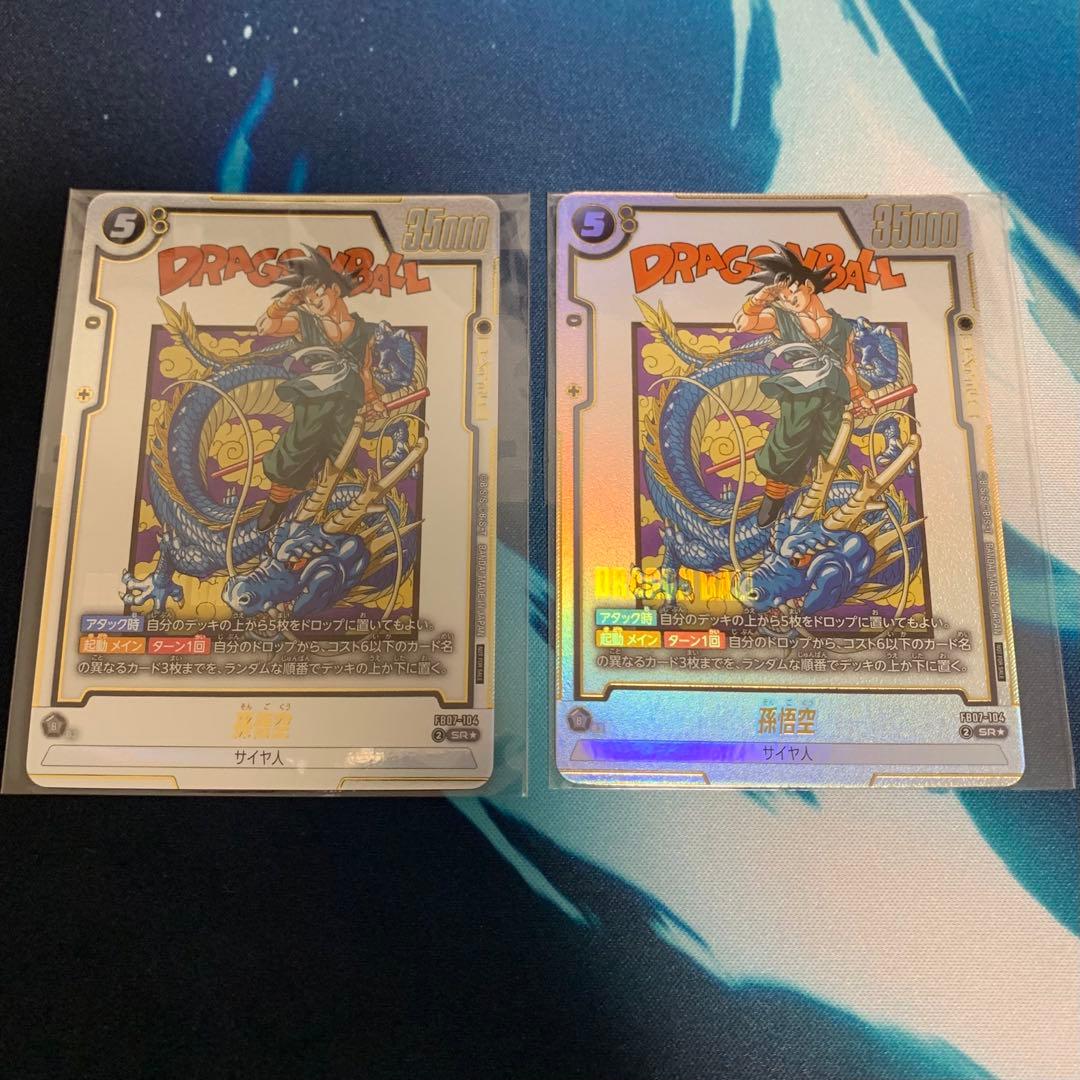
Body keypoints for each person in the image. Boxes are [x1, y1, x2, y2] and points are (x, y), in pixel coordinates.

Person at [733, 244, 875, 527]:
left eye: (792, 292)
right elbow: (743, 323)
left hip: (834, 393)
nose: (788, 301)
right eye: (782, 299)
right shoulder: (781, 318)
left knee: (833, 446)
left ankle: (827, 506)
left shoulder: (841, 326)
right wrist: (762, 298)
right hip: (801, 389)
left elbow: (848, 365)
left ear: (808, 285)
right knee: (789, 440)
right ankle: (773, 502)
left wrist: (859, 396)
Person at [253, 247, 386, 531]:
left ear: (334, 289)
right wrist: (287, 301)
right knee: (298, 445)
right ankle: (275, 506)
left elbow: (365, 369)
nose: (315, 304)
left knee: (342, 450)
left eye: (318, 296)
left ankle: (337, 507)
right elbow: (265, 327)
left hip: (348, 400)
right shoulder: (304, 321)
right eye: (309, 301)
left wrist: (372, 399)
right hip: (316, 396)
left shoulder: (363, 330)